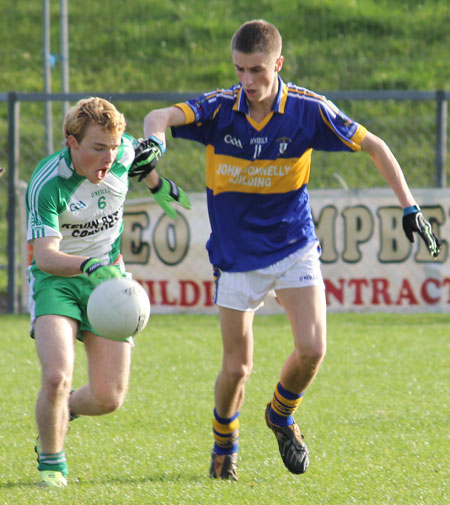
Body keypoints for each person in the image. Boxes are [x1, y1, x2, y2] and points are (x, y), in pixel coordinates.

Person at [140, 20, 441, 480]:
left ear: (277, 65)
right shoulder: (220, 109)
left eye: (257, 70)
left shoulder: (308, 111)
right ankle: (224, 441)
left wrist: (410, 206)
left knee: (313, 348)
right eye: (239, 69)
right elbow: (158, 117)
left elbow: (374, 146)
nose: (247, 81)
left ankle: (280, 415)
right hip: (236, 256)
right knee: (237, 368)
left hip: (293, 246)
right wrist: (154, 145)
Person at [26, 96, 190, 487]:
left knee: (108, 397)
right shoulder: (48, 183)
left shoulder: (121, 153)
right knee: (56, 376)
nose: (108, 157)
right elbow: (46, 257)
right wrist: (86, 265)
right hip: (57, 282)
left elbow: (149, 140)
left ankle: (59, 412)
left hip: (108, 282)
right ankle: (52, 463)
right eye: (98, 148)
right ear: (72, 142)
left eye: (113, 148)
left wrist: (156, 181)